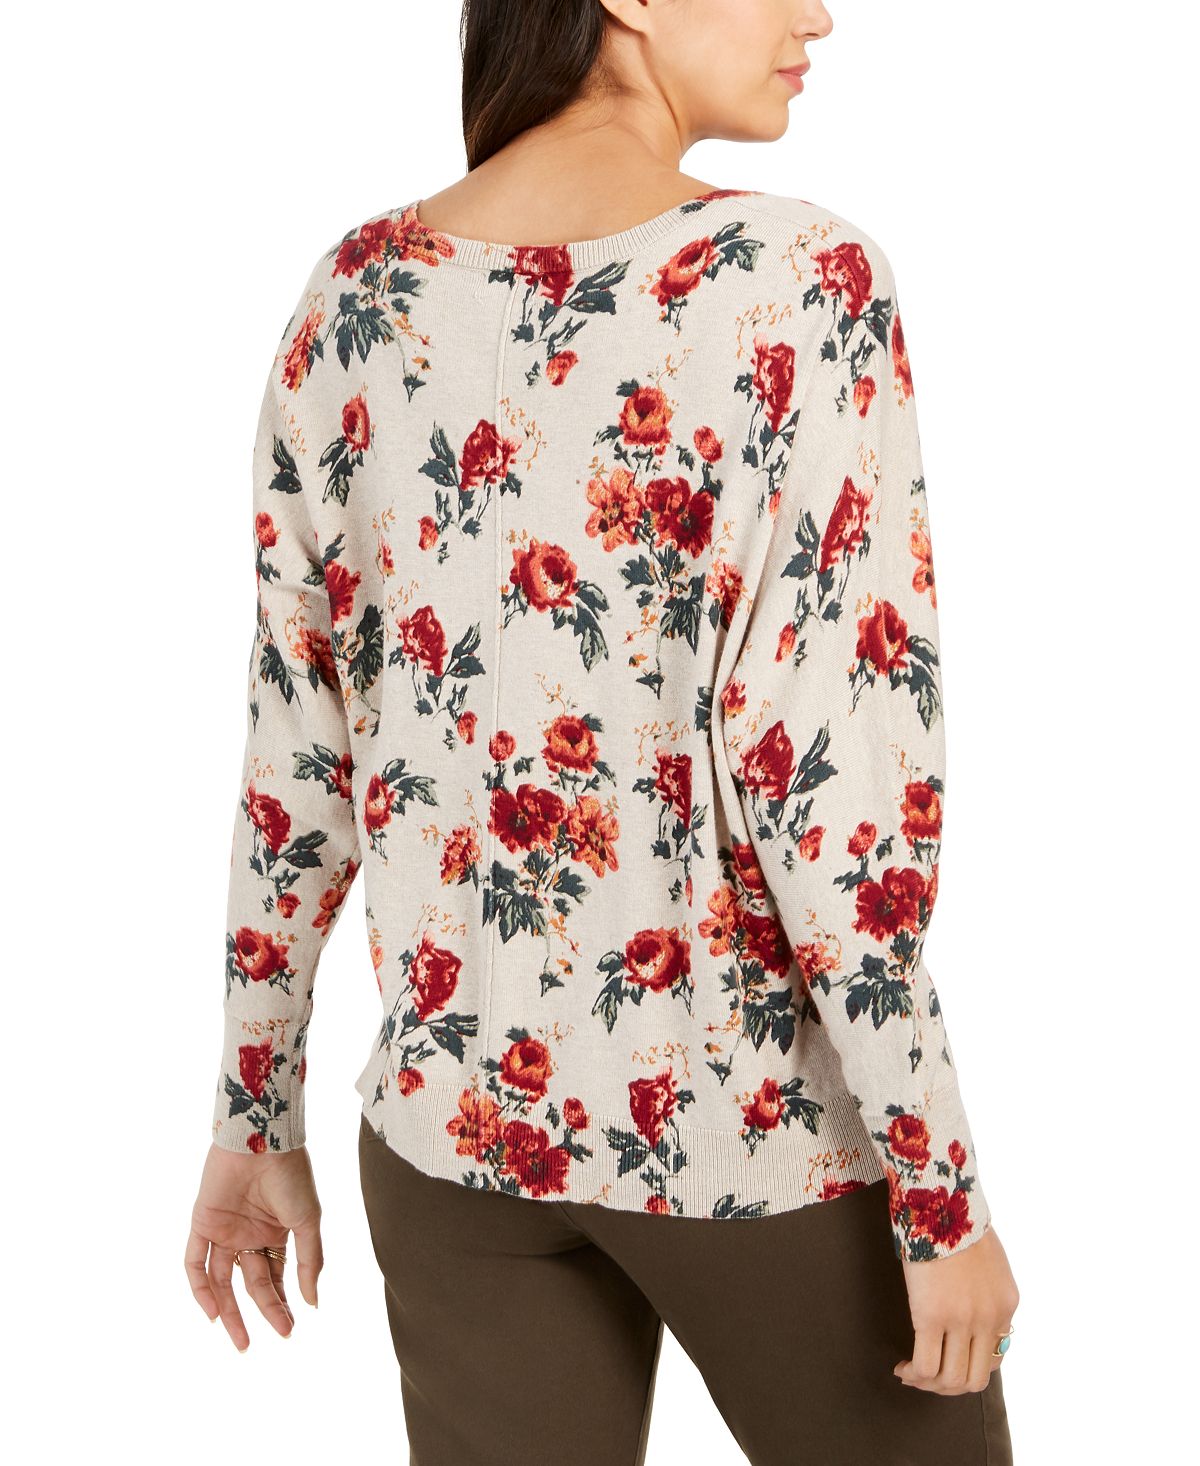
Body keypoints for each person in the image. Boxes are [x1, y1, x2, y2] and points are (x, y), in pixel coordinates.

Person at [185, 2, 1020, 1461]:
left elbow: (295, 758)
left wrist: (255, 1119)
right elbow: (833, 802)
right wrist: (938, 1193)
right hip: (751, 1136)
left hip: (452, 1144)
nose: (819, 13)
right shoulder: (797, 284)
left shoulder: (354, 300)